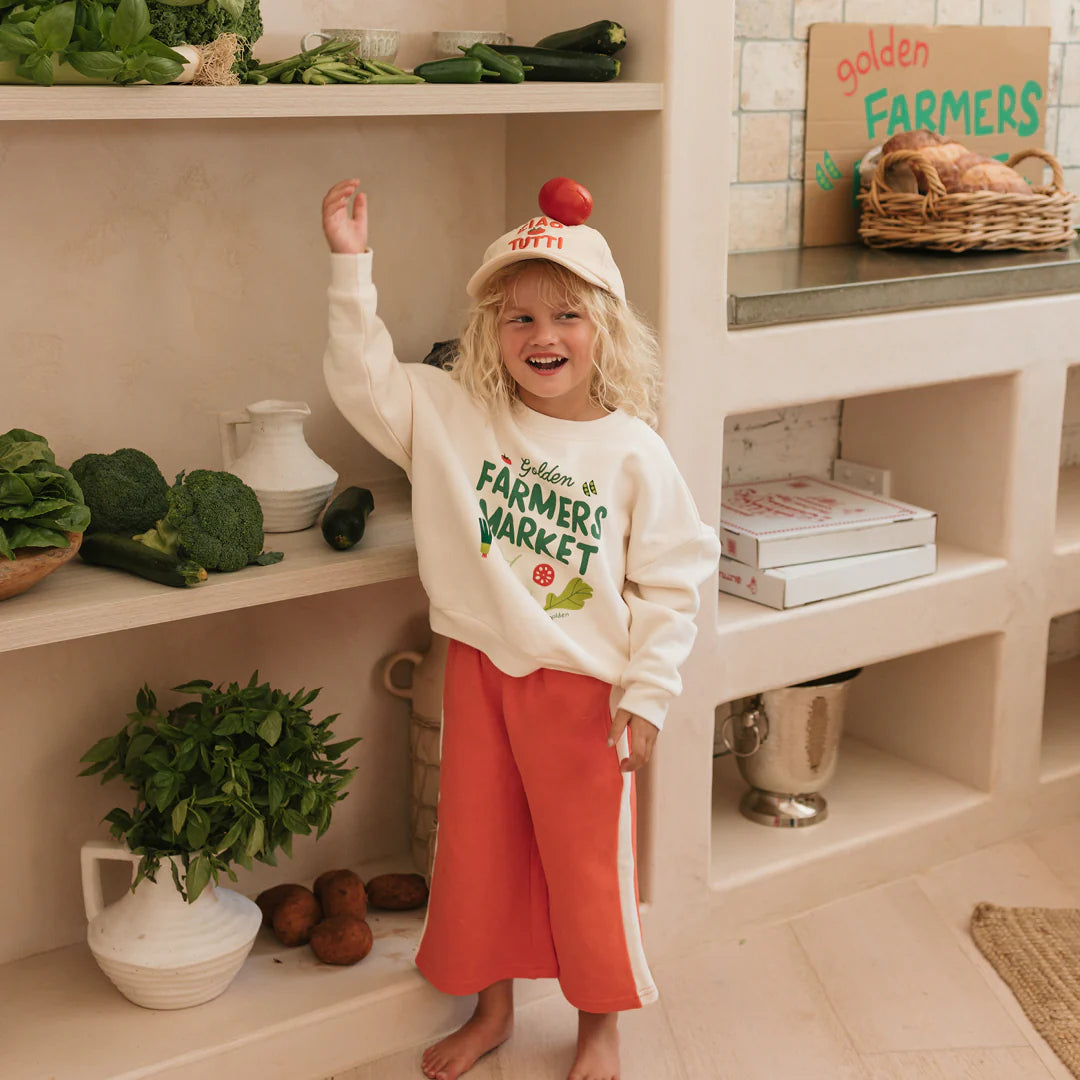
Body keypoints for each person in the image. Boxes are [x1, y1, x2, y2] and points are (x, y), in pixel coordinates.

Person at [321, 178, 720, 1080]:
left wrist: (648, 696)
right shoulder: (453, 415)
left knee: (584, 868)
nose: (543, 335)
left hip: (584, 692)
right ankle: (491, 1011)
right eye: (519, 318)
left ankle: (599, 1027)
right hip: (480, 670)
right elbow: (362, 381)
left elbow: (672, 582)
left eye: (567, 316)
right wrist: (352, 268)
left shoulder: (633, 452)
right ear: (489, 337)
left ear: (605, 331)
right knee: (479, 855)